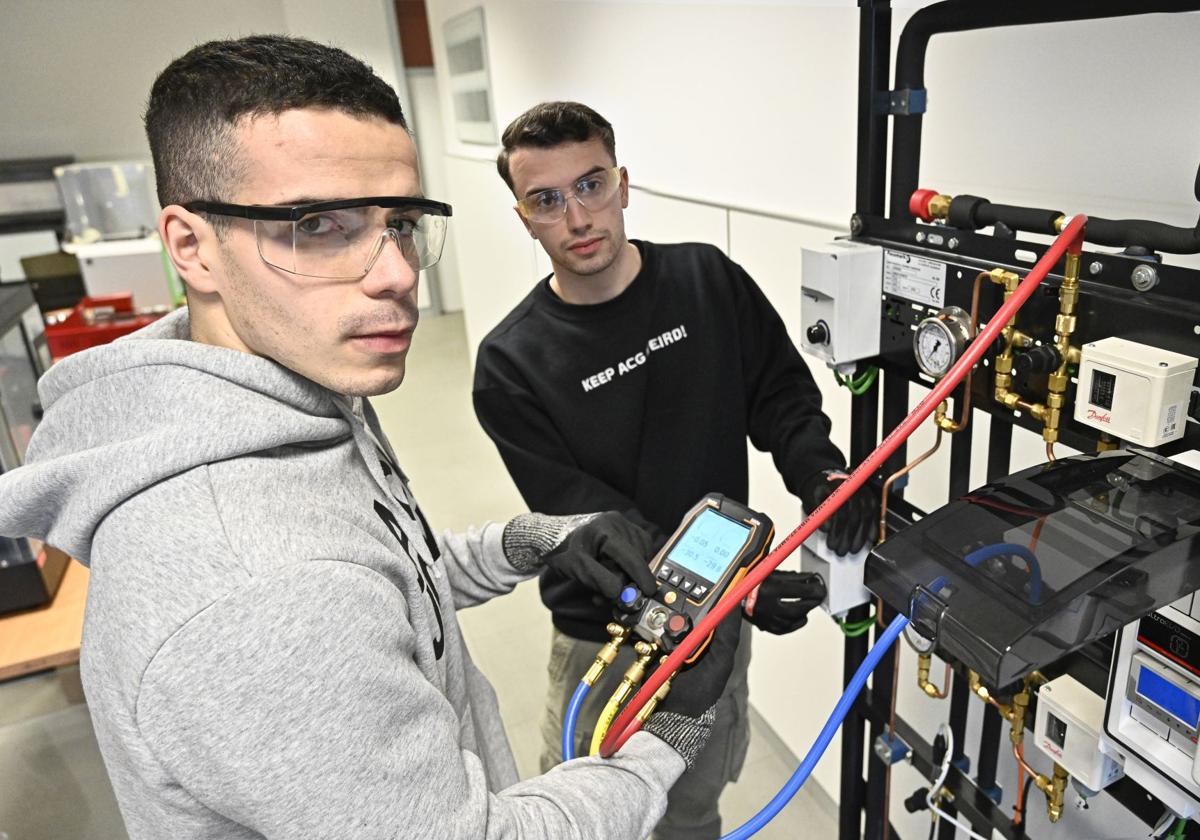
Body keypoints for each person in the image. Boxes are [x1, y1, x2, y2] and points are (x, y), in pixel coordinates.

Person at [0, 38, 743, 840]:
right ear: (191, 247)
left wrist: (531, 541)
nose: (394, 272)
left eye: (401, 223)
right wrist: (667, 741)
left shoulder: (291, 385)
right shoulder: (260, 588)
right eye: (318, 224)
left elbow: (389, 572)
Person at [472, 101, 877, 839]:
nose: (577, 216)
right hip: (608, 634)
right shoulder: (510, 364)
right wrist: (743, 595)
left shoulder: (704, 279)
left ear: (623, 184)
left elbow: (779, 395)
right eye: (547, 200)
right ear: (524, 217)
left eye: (591, 185)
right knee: (593, 819)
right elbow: (599, 525)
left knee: (691, 810)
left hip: (713, 640)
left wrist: (822, 476)